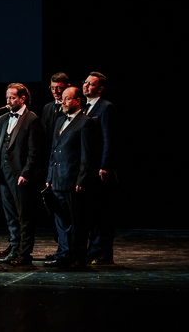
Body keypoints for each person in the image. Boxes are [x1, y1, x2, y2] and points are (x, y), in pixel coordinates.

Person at [0, 83, 44, 266]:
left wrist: (26, 173)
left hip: (20, 175)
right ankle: (14, 248)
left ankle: (25, 253)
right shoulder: (2, 119)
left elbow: (35, 151)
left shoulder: (31, 120)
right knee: (10, 215)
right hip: (4, 174)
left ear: (22, 99)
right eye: (7, 98)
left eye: (12, 98)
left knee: (24, 215)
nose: (9, 101)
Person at [44, 86, 99, 269]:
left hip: (73, 180)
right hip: (58, 180)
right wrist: (50, 176)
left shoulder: (86, 122)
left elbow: (87, 155)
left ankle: (78, 256)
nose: (64, 101)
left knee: (77, 221)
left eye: (68, 98)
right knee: (61, 221)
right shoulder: (59, 121)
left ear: (78, 101)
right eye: (63, 99)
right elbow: (53, 151)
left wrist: (82, 179)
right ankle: (63, 254)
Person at [83, 72, 118, 265]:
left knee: (102, 212)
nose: (86, 86)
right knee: (91, 211)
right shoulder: (82, 107)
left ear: (100, 88)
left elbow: (109, 140)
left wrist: (105, 166)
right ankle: (93, 248)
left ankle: (104, 251)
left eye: (91, 84)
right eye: (85, 83)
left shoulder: (106, 108)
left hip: (99, 169)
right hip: (86, 169)